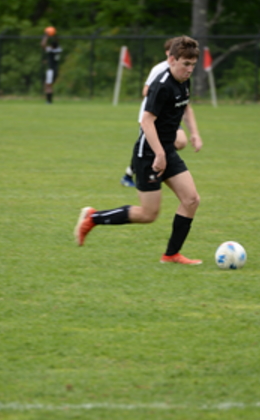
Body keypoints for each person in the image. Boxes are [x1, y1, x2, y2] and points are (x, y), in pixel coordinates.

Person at [75, 36, 204, 265]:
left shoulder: (184, 81)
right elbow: (146, 121)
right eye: (186, 64)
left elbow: (184, 109)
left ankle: (171, 255)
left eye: (193, 65)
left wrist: (192, 134)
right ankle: (93, 217)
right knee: (148, 214)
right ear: (172, 60)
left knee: (192, 199)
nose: (189, 69)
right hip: (148, 155)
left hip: (166, 151)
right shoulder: (161, 84)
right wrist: (159, 154)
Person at [121, 37, 188, 187]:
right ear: (168, 53)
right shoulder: (160, 69)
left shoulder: (183, 73)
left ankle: (158, 161)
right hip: (151, 115)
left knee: (181, 141)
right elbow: (146, 90)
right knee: (145, 148)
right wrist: (163, 93)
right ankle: (131, 173)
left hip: (169, 117)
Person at [41, 27, 62, 103]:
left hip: (51, 70)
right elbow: (57, 42)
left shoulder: (51, 50)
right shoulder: (59, 49)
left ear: (52, 46)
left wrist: (46, 36)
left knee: (48, 85)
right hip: (56, 69)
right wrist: (54, 35)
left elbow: (43, 45)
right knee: (48, 85)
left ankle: (49, 101)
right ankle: (49, 100)